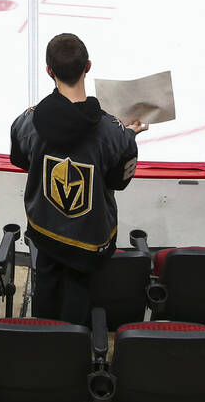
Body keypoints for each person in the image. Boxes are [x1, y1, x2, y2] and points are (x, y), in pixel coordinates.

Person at [10, 33, 144, 324]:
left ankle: (42, 341)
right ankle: (71, 346)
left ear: (49, 71)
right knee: (78, 294)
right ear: (88, 66)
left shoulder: (28, 121)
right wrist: (130, 134)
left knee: (44, 285)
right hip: (89, 240)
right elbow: (118, 180)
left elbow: (20, 159)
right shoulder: (113, 132)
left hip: (45, 231)